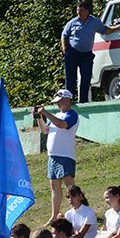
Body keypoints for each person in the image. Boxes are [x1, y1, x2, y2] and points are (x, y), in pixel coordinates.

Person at [61, 0, 120, 103]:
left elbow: (104, 30)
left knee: (86, 78)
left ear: (87, 11)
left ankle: (83, 101)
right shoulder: (72, 23)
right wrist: (65, 50)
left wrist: (117, 28)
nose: (78, 13)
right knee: (70, 79)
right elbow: (64, 35)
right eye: (77, 10)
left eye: (81, 10)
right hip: (72, 53)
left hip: (86, 55)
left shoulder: (95, 22)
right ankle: (69, 101)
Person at [36, 89, 79, 221]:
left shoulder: (72, 115)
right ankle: (54, 215)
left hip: (65, 155)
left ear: (67, 100)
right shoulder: (55, 115)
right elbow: (45, 130)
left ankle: (78, 209)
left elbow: (61, 125)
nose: (58, 105)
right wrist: (39, 117)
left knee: (69, 185)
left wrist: (45, 113)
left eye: (60, 102)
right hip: (53, 155)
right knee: (54, 186)